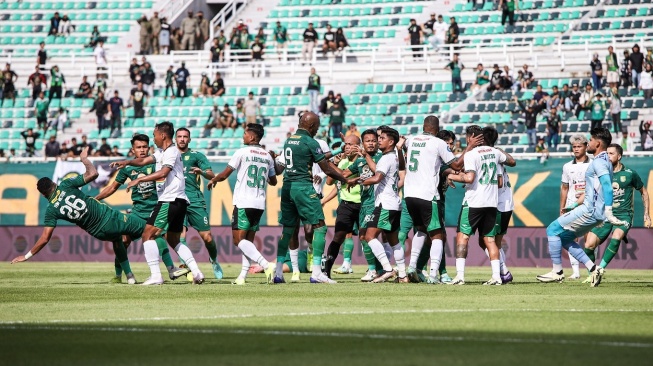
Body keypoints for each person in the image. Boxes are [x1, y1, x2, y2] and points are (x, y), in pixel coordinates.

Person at [10, 147, 139, 285]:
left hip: (98, 233)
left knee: (117, 240)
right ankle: (159, 271)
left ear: (43, 195)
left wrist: (26, 255)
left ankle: (128, 276)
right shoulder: (65, 185)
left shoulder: (51, 210)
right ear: (54, 183)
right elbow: (93, 173)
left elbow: (45, 238)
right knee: (147, 227)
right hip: (108, 218)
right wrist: (84, 159)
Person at [109, 122, 206, 285]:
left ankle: (156, 276)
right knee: (174, 239)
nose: (153, 139)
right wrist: (126, 162)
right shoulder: (163, 152)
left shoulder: (171, 152)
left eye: (154, 135)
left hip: (170, 199)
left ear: (162, 135)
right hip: (180, 201)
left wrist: (139, 179)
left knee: (147, 235)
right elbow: (143, 162)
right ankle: (197, 273)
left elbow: (163, 172)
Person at [537, 128, 623, 287]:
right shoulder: (605, 161)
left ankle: (557, 271)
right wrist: (574, 205)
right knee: (564, 238)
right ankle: (593, 268)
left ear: (597, 143)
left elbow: (607, 186)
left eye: (590, 140)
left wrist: (609, 211)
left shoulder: (598, 162)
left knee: (551, 230)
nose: (589, 143)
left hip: (590, 210)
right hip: (591, 210)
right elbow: (594, 188)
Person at [96, 134, 186, 282]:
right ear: (133, 150)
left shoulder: (156, 162)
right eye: (139, 147)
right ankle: (123, 275)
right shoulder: (127, 168)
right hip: (137, 212)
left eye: (145, 147)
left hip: (156, 208)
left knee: (158, 236)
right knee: (123, 239)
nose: (142, 150)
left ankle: (171, 269)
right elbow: (112, 187)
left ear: (149, 147)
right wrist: (95, 199)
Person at [274, 111, 348, 284]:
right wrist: (346, 180)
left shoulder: (289, 140)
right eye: (317, 126)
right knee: (320, 226)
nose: (317, 130)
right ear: (312, 126)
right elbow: (327, 169)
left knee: (287, 229)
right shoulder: (310, 141)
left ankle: (278, 273)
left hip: (287, 188)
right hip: (304, 188)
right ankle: (316, 272)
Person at [404, 116, 479, 284]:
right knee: (438, 235)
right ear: (437, 130)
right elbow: (457, 165)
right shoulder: (438, 143)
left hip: (409, 194)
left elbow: (404, 149)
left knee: (421, 230)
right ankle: (432, 275)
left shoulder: (411, 140)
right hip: (427, 195)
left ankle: (411, 267)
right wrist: (470, 147)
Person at [208, 124, 277, 285]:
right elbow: (273, 181)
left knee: (239, 241)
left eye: (245, 133)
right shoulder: (267, 156)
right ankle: (242, 277)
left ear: (252, 137)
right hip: (259, 203)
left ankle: (266, 264)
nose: (243, 136)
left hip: (244, 201)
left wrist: (213, 179)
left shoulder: (241, 152)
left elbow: (225, 174)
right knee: (248, 243)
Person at [447, 126, 516, 285]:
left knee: (462, 237)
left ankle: (460, 276)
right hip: (492, 203)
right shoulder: (495, 152)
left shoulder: (471, 154)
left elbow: (470, 178)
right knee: (490, 240)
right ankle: (497, 277)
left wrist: (452, 176)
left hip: (474, 202)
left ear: (471, 136)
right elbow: (512, 161)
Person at [344, 127, 406, 283]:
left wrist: (357, 180)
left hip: (384, 204)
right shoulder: (392, 157)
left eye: (382, 138)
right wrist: (365, 156)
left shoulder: (386, 158)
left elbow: (377, 177)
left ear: (391, 142)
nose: (379, 140)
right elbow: (375, 169)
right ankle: (403, 275)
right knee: (394, 241)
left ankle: (387, 269)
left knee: (368, 236)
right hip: (394, 203)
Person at [581, 144, 650, 282]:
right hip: (605, 215)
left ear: (619, 156)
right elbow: (590, 193)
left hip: (624, 215)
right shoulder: (601, 173)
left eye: (611, 154)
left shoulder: (630, 174)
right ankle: (592, 275)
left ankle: (600, 268)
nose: (607, 156)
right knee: (588, 245)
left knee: (616, 236)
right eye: (606, 153)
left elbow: (644, 192)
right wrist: (575, 205)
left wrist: (646, 214)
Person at [174, 128, 223, 280]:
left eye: (185, 137)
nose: (182, 139)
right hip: (176, 199)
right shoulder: (169, 156)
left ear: (189, 139)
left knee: (207, 237)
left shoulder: (197, 156)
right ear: (175, 139)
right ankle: (187, 267)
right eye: (179, 136)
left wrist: (201, 172)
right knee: (180, 237)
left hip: (195, 199)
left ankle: (214, 260)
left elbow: (211, 175)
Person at [321, 135, 362, 277]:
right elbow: (330, 182)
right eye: (346, 144)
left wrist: (330, 163)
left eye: (351, 144)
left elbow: (345, 174)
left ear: (358, 146)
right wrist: (336, 164)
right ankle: (326, 271)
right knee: (338, 237)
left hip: (363, 203)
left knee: (367, 237)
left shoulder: (363, 161)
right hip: (346, 204)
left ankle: (376, 270)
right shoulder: (343, 161)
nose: (347, 147)